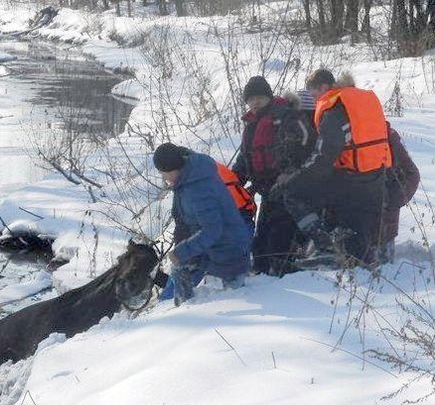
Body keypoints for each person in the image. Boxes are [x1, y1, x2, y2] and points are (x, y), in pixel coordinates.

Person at [273, 69, 393, 267]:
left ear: (323, 87)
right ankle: (363, 274)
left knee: (292, 193)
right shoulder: (361, 102)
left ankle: (324, 247)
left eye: (313, 95)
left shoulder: (334, 109)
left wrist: (294, 180)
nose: (314, 100)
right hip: (376, 178)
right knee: (357, 243)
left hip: (350, 180)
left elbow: (323, 157)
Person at [232, 76, 316, 276]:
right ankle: (263, 275)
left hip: (288, 189)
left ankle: (284, 279)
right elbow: (245, 158)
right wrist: (233, 182)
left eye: (259, 97)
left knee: (279, 238)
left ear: (269, 97)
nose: (255, 102)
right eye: (250, 99)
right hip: (266, 190)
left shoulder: (286, 117)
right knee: (260, 243)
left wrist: (289, 174)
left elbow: (307, 146)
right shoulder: (251, 126)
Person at [153, 143, 254, 306]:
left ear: (175, 167)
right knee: (180, 269)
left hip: (229, 249)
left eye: (166, 173)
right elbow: (183, 220)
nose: (165, 178)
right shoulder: (186, 181)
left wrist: (182, 251)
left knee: (235, 298)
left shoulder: (198, 188)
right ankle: (181, 307)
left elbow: (212, 230)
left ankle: (186, 313)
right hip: (211, 247)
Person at [380, 123, 420, 262]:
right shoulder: (336, 134)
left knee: (383, 273)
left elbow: (412, 174)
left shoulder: (386, 135)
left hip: (383, 231)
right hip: (353, 229)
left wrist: (391, 203)